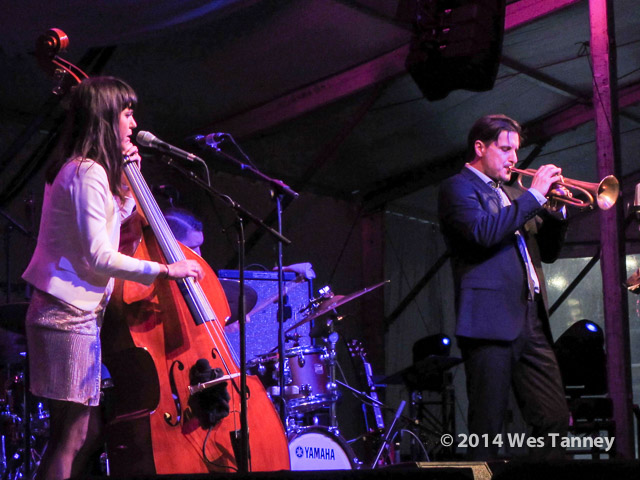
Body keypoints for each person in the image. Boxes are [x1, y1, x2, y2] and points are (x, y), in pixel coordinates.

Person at [21, 76, 204, 480]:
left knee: (79, 433)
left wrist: (125, 182)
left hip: (73, 313)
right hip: (65, 315)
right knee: (71, 435)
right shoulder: (85, 171)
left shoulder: (84, 170)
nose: (134, 123)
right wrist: (165, 270)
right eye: (127, 113)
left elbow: (106, 225)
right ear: (105, 117)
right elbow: (100, 255)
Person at [438, 114, 570, 460]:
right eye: (505, 149)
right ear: (480, 147)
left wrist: (555, 211)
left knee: (555, 419)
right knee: (487, 429)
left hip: (531, 319)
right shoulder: (458, 188)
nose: (514, 158)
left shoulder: (515, 193)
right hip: (489, 322)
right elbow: (482, 233)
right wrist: (535, 196)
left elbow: (549, 254)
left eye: (516, 150)